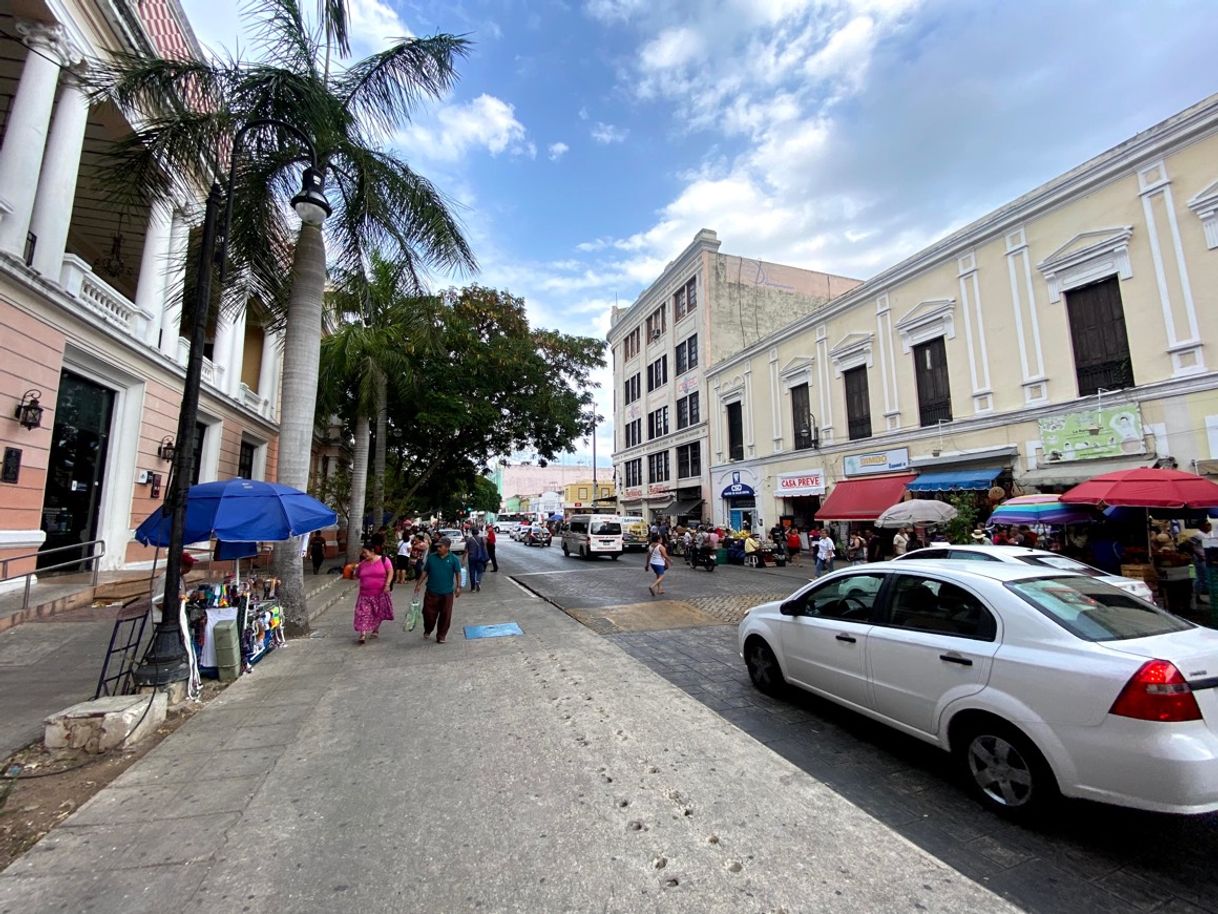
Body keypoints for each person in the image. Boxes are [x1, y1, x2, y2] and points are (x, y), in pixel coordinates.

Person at [413, 536, 463, 643]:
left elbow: (458, 573)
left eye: (440, 546)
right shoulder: (432, 557)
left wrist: (458, 587)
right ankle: (428, 629)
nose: (438, 548)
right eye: (438, 546)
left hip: (447, 593)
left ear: (447, 547)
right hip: (431, 591)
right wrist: (418, 584)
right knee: (428, 613)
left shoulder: (453, 559)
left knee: (445, 615)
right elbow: (425, 572)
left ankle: (441, 635)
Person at [352, 545, 394, 645]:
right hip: (364, 594)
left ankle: (375, 629)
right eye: (363, 553)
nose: (363, 555)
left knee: (377, 613)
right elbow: (356, 575)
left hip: (380, 593)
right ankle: (363, 634)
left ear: (372, 551)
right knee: (362, 613)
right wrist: (355, 569)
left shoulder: (384, 560)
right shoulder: (362, 564)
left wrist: (387, 584)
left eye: (365, 552)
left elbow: (390, 572)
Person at [465, 527, 488, 592]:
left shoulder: (469, 540)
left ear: (472, 533)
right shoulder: (482, 539)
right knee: (480, 571)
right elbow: (484, 548)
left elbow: (466, 550)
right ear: (478, 532)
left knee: (472, 572)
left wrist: (463, 559)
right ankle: (478, 581)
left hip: (471, 557)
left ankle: (473, 588)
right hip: (480, 557)